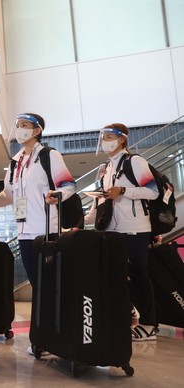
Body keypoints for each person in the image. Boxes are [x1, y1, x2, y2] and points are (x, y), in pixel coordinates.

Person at [0, 113, 76, 354]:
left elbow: (68, 185)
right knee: (39, 286)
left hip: (46, 231)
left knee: (49, 286)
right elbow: (8, 196)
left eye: (25, 126)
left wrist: (56, 195)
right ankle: (43, 337)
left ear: (37, 131)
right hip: (25, 234)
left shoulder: (49, 155)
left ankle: (56, 335)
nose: (19, 130)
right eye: (17, 125)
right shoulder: (15, 161)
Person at [84, 123, 159, 341]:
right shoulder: (106, 168)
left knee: (139, 275)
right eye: (103, 137)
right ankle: (127, 314)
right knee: (116, 275)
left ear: (121, 140)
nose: (104, 141)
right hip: (112, 230)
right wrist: (85, 220)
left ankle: (149, 324)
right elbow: (101, 200)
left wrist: (124, 190)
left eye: (109, 137)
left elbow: (152, 192)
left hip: (136, 228)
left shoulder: (134, 161)